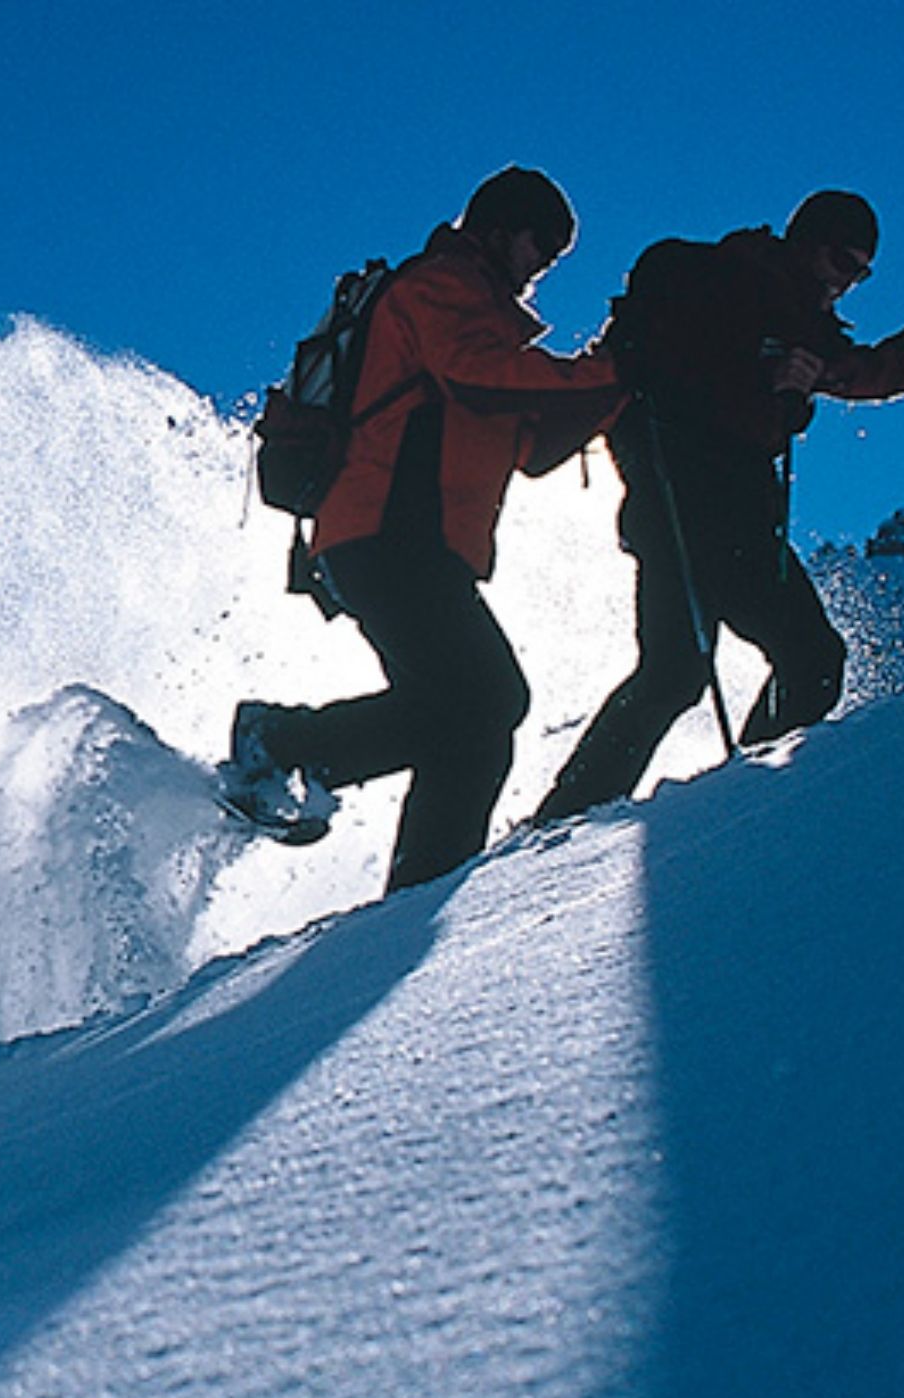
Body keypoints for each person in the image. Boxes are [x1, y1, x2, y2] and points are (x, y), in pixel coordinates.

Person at [224, 166, 622, 892]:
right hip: (383, 531)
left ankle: (425, 893)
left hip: (414, 543)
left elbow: (529, 450)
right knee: (491, 699)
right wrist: (604, 376)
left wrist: (609, 390)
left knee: (468, 723)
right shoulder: (440, 287)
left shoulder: (488, 321)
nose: (544, 267)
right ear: (500, 230)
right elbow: (475, 376)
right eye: (542, 246)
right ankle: (280, 741)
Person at [536, 191, 904, 822]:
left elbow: (870, 372)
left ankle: (563, 818)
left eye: (860, 272)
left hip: (667, 511)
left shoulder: (773, 305)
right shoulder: (751, 294)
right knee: (812, 661)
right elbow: (861, 374)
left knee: (674, 673)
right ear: (809, 243)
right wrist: (774, 375)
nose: (848, 284)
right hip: (715, 510)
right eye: (844, 264)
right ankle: (742, 808)